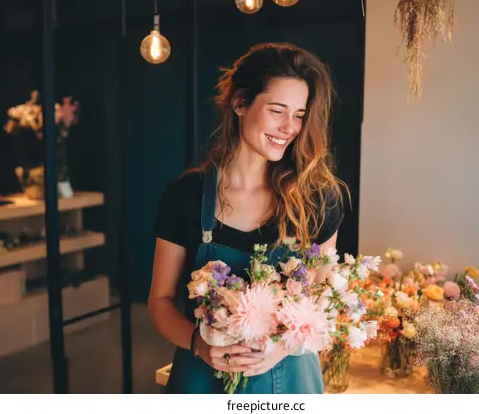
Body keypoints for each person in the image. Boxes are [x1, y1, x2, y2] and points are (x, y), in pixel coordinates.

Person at [148, 42, 347, 394]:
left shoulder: (317, 199)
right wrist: (201, 346)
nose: (290, 127)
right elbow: (160, 302)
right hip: (200, 379)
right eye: (277, 111)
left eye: (299, 114)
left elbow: (321, 300)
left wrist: (280, 347)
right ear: (240, 103)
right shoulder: (185, 197)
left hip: (291, 382)